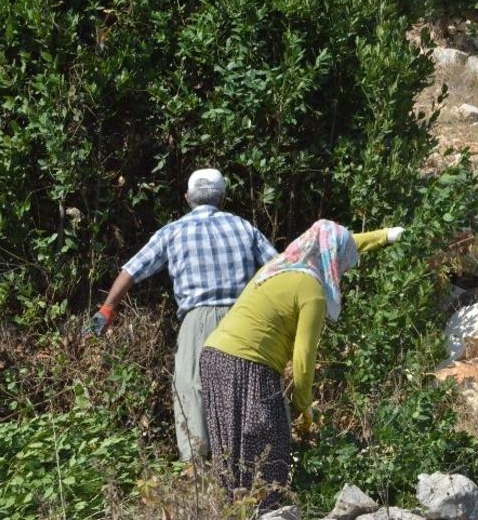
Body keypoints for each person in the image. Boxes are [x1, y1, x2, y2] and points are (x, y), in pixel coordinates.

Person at [200, 219, 404, 511]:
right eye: (344, 262)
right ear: (333, 261)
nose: (345, 268)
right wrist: (303, 407)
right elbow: (303, 358)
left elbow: (336, 241)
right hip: (249, 363)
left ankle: (227, 512)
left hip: (214, 355)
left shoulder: (280, 267)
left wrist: (386, 236)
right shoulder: (312, 290)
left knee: (230, 451)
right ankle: (267, 513)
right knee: (270, 445)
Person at [84, 168, 277, 465]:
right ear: (222, 198)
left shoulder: (172, 231)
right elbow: (279, 269)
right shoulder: (243, 227)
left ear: (187, 198)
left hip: (196, 322)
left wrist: (106, 310)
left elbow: (131, 271)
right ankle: (255, 464)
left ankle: (197, 471)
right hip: (245, 318)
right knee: (247, 386)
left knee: (192, 388)